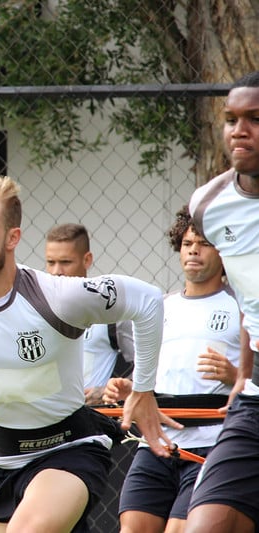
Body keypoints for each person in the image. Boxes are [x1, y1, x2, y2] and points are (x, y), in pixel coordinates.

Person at [0, 175, 174, 532]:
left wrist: (143, 388)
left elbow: (148, 300)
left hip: (68, 451)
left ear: (12, 238)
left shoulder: (57, 296)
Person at [102, 206, 239, 533]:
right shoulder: (158, 307)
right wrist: (128, 387)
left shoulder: (242, 306)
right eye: (188, 242)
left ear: (223, 252)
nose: (193, 249)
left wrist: (236, 376)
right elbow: (148, 373)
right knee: (133, 528)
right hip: (157, 441)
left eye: (204, 243)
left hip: (212, 442)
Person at [185, 71, 259, 533]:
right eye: (231, 119)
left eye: (255, 118)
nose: (239, 130)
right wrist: (246, 373)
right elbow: (249, 300)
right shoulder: (208, 205)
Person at [44, 223, 135, 404]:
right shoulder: (36, 309)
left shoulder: (109, 311)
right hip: (43, 418)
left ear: (87, 260)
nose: (56, 272)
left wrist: (106, 392)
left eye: (65, 262)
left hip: (90, 421)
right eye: (50, 262)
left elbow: (148, 366)